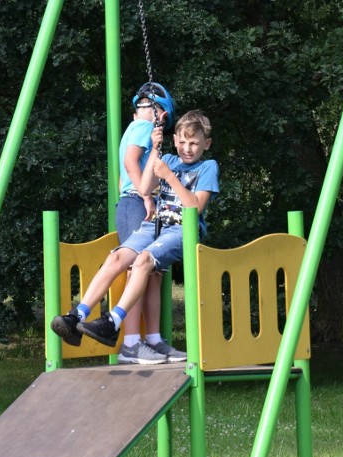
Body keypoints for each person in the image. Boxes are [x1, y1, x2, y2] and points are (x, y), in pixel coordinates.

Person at [50, 109, 219, 359]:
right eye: (182, 142)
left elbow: (195, 207)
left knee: (142, 261)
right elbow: (143, 187)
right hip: (155, 224)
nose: (187, 148)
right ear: (174, 140)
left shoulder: (208, 167)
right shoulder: (168, 160)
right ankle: (77, 316)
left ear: (207, 143)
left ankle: (112, 322)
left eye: (194, 143)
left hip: (183, 229)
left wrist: (170, 178)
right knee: (116, 258)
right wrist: (153, 149)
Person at [112, 82, 184, 364]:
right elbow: (131, 163)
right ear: (162, 117)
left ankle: (153, 339)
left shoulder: (132, 128)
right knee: (136, 271)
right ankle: (131, 343)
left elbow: (123, 173)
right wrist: (144, 196)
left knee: (152, 273)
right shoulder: (143, 128)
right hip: (137, 202)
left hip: (133, 200)